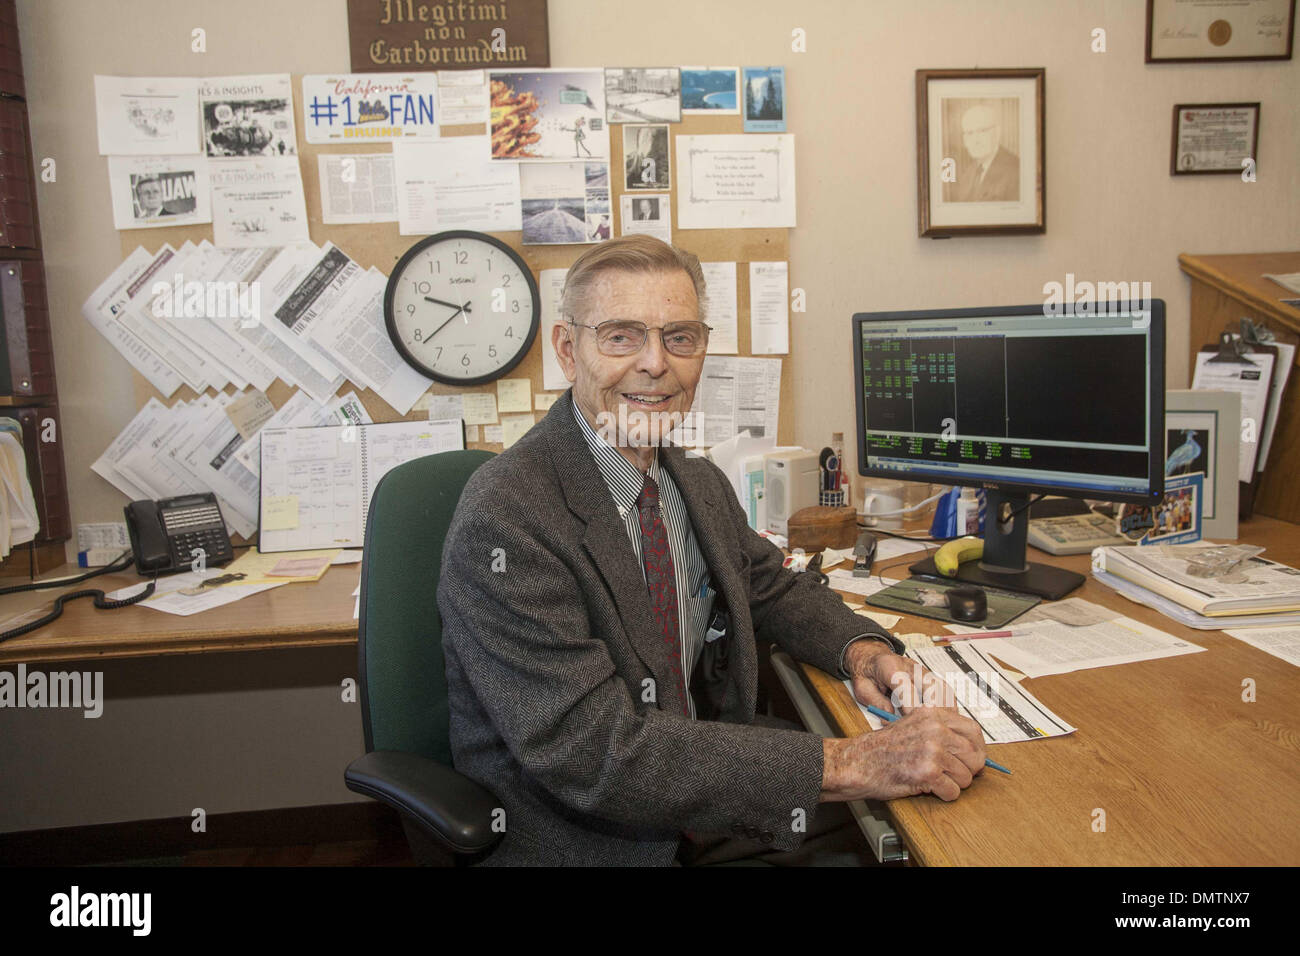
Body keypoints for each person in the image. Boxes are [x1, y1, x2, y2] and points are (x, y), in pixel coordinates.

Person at [438, 236, 986, 866]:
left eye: (680, 337)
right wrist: (858, 761)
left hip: (708, 785)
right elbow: (595, 752)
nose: (655, 364)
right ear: (568, 349)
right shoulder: (508, 515)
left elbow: (772, 588)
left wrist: (862, 651)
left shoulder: (693, 482)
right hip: (601, 838)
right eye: (621, 336)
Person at [952, 103, 1019, 203]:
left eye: (982, 131)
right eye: (970, 133)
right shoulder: (967, 174)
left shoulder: (1017, 171)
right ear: (964, 140)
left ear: (997, 133)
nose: (975, 140)